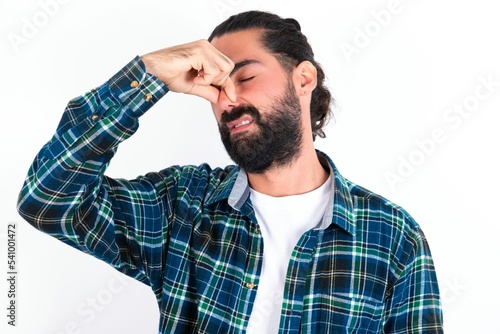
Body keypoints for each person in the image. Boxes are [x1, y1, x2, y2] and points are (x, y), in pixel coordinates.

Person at [17, 10, 443, 334]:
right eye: (216, 87)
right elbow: (47, 200)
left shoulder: (393, 237)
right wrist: (147, 76)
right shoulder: (184, 205)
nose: (228, 100)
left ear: (304, 78)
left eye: (245, 77)